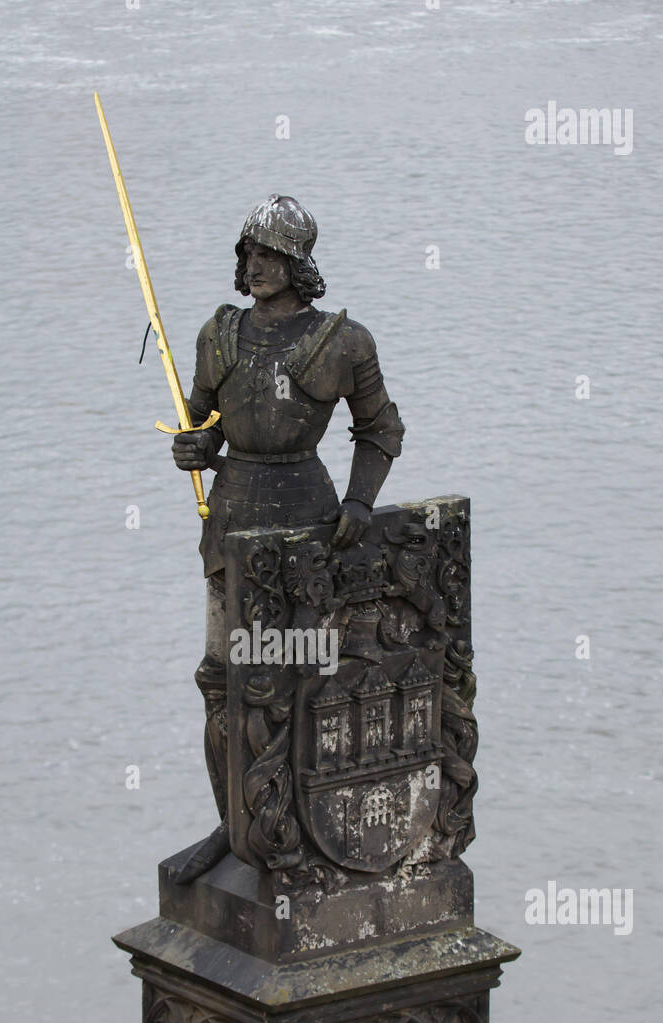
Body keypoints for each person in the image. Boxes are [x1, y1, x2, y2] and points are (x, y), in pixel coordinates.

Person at [172, 195, 405, 881]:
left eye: (271, 254)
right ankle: (234, 826)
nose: (257, 265)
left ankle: (298, 822)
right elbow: (205, 424)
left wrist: (361, 502)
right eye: (249, 253)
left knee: (300, 675)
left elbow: (381, 429)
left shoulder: (344, 341)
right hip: (232, 519)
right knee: (223, 680)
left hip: (308, 519)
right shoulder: (218, 334)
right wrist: (195, 447)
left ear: (298, 263)